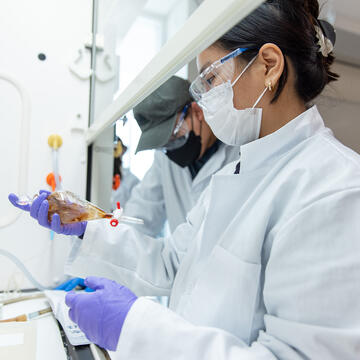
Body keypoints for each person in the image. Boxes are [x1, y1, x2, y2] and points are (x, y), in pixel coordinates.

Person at [9, 1, 360, 358]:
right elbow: (171, 263)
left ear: (268, 66)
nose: (205, 103)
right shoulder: (237, 173)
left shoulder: (334, 189)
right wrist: (86, 226)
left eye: (210, 78)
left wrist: (137, 328)